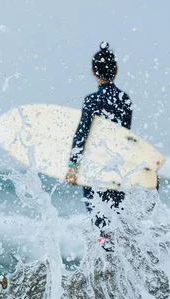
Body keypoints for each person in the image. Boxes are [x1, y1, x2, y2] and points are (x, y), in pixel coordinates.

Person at [65, 42, 133, 250]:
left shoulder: (91, 101)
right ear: (116, 70)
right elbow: (124, 136)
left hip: (95, 168)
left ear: (94, 71)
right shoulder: (125, 99)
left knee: (101, 221)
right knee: (117, 217)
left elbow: (82, 134)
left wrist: (72, 165)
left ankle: (107, 262)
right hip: (118, 168)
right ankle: (121, 261)